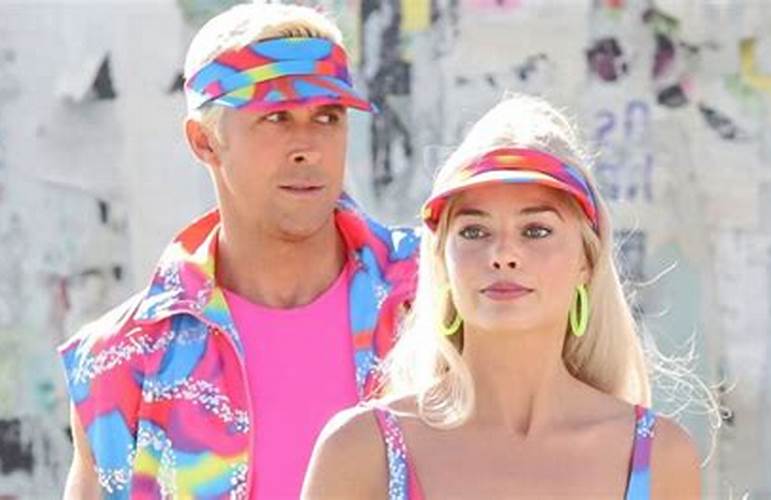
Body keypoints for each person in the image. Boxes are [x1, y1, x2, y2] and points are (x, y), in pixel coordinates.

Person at [59, 3, 418, 498]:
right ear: (204, 142)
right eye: (275, 118)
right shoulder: (119, 361)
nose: (308, 146)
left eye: (327, 117)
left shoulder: (432, 298)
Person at [303, 94, 705, 500]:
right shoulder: (362, 451)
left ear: (587, 259)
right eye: (474, 232)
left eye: (536, 231)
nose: (503, 255)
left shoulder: (658, 458)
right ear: (442, 262)